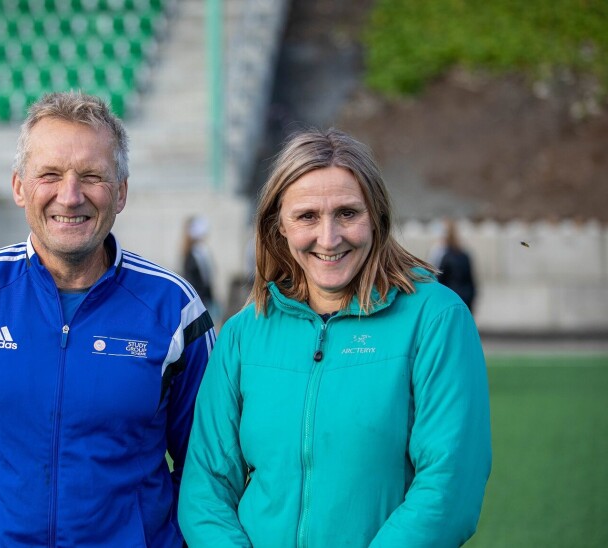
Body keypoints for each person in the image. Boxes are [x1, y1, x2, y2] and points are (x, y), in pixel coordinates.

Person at [0, 91, 215, 547]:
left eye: (92, 176)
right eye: (49, 175)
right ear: (19, 186)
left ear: (121, 192)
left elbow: (209, 468)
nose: (69, 197)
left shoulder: (175, 309)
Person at [178, 128, 491, 547]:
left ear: (376, 218)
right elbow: (206, 489)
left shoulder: (436, 318)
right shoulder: (242, 333)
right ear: (279, 227)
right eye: (307, 216)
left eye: (347, 213)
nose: (329, 238)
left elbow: (449, 485)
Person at [435, 219, 477, 311]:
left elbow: (439, 280)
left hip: (451, 298)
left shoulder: (443, 256)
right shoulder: (464, 255)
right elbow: (471, 281)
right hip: (465, 298)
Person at [182, 215, 216, 318]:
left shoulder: (193, 251)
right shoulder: (198, 251)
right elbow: (204, 278)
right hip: (200, 298)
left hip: (199, 297)